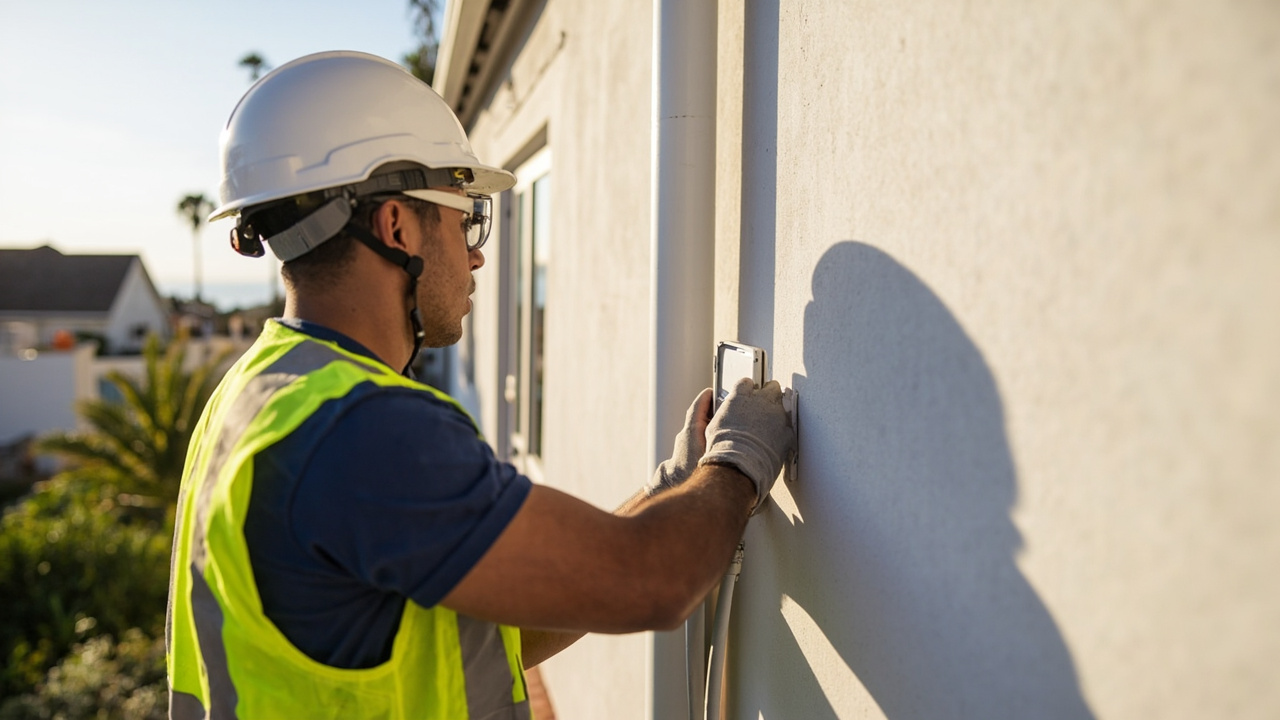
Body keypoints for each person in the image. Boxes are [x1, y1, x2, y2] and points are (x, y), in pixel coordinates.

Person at [165, 50, 795, 719]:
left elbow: (499, 626)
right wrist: (737, 465)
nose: (476, 253)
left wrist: (673, 487)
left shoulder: (260, 396)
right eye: (464, 217)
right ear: (397, 226)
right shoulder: (366, 431)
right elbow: (650, 582)